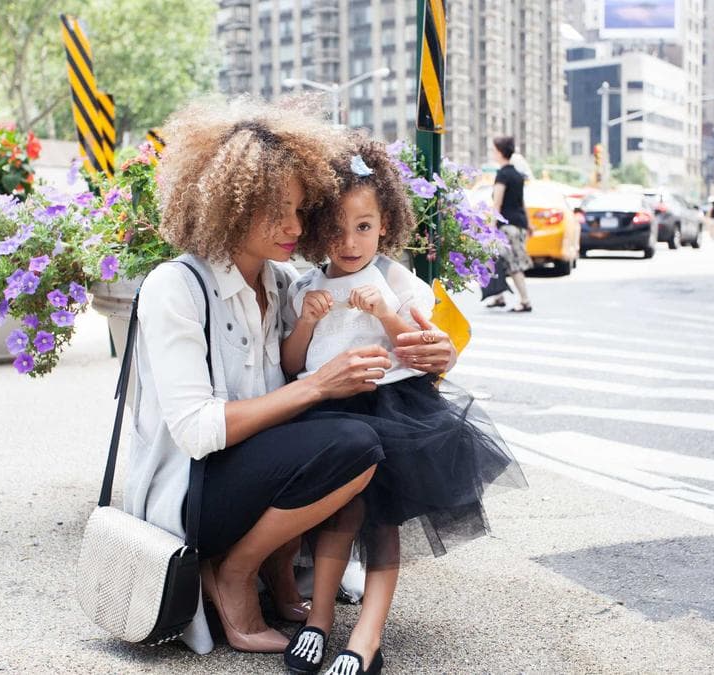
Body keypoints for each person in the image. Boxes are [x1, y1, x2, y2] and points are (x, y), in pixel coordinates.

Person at [124, 98, 460, 656]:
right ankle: (234, 571)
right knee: (352, 441)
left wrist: (439, 352)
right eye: (276, 211)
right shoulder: (175, 287)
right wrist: (320, 384)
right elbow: (197, 432)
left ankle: (281, 577)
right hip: (192, 494)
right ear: (229, 207)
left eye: (303, 211)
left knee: (354, 437)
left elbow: (379, 335)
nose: (294, 227)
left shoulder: (284, 284)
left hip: (254, 478)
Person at [280, 137, 526, 675]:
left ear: (385, 224)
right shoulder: (305, 286)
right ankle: (318, 620)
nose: (350, 242)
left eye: (363, 227)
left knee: (382, 522)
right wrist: (307, 322)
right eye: (338, 229)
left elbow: (424, 356)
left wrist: (388, 314)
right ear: (319, 229)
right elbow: (292, 361)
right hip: (330, 410)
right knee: (336, 516)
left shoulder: (397, 280)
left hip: (394, 411)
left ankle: (367, 636)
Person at [491, 136, 534, 312]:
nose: (493, 153)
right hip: (520, 224)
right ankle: (498, 296)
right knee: (496, 259)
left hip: (507, 226)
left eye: (494, 150)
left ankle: (525, 301)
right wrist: (529, 224)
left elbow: (497, 203)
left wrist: (492, 226)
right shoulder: (517, 174)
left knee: (513, 263)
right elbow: (521, 202)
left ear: (500, 152)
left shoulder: (503, 174)